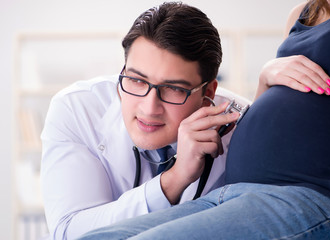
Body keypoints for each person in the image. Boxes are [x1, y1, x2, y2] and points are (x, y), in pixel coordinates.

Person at [77, 0, 330, 239]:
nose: (151, 106)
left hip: (312, 196)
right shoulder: (302, 14)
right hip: (235, 194)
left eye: (173, 88)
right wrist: (265, 79)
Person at [40, 2, 255, 239]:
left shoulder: (241, 125)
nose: (149, 108)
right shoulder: (77, 109)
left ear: (209, 93)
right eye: (137, 80)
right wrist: (174, 180)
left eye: (173, 88)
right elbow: (70, 231)